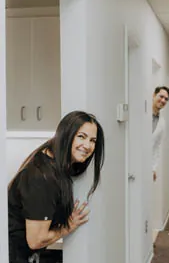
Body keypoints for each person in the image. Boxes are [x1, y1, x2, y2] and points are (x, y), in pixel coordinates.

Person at [8, 111, 105, 263]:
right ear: (66, 135)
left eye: (93, 140)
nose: (87, 146)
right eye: (81, 136)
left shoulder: (54, 162)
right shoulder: (42, 177)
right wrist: (69, 226)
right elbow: (36, 240)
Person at [152, 86, 169, 182]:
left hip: (148, 165)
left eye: (166, 99)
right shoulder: (141, 114)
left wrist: (153, 168)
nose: (163, 100)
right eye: (161, 96)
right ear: (154, 95)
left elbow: (157, 147)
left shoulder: (162, 122)